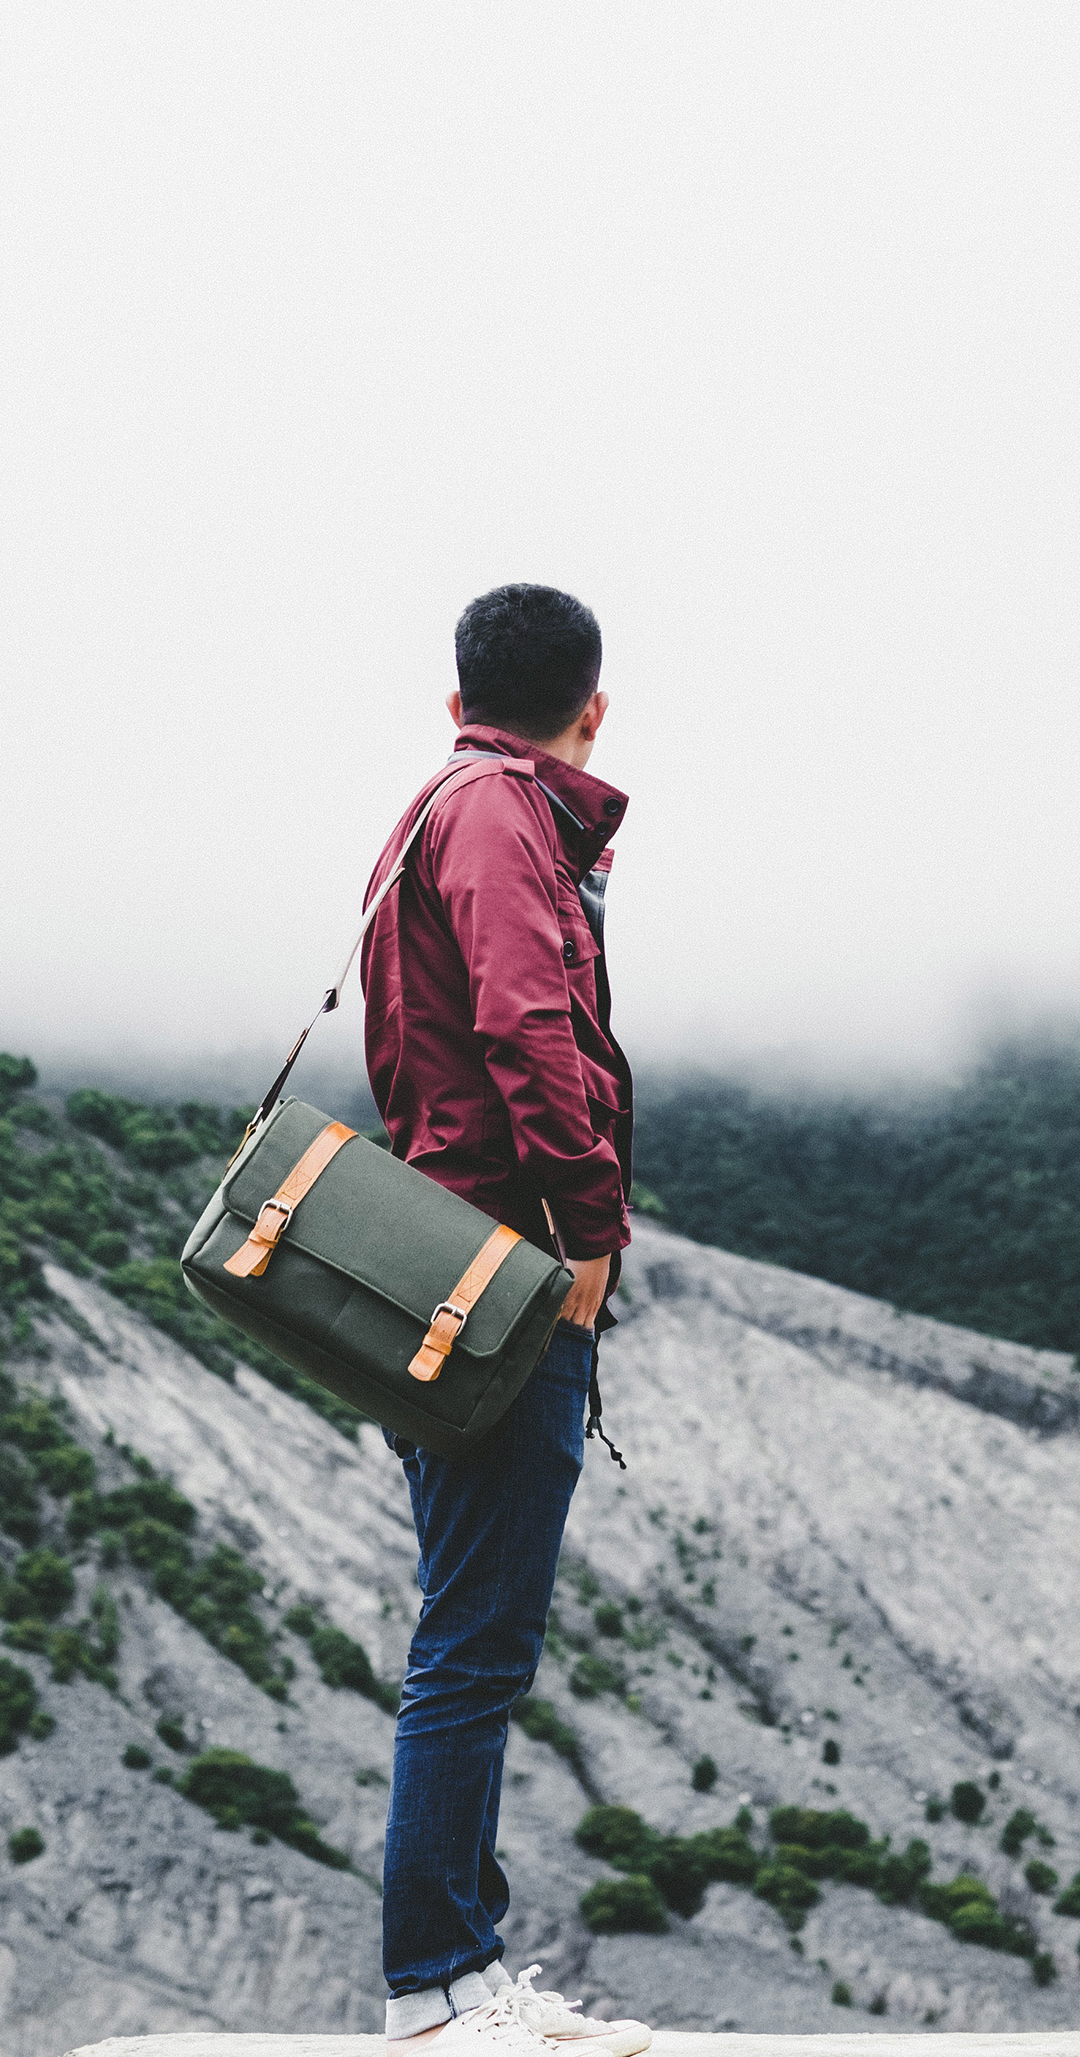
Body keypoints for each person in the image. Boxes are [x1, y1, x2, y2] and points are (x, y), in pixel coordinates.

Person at [361, 584, 649, 2057]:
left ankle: (459, 1977)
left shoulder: (453, 805)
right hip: (499, 1270)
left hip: (454, 1257)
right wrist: (587, 1230)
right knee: (473, 1646)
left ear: (458, 694)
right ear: (592, 706)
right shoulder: (495, 816)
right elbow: (528, 1028)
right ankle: (439, 1985)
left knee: (471, 1635)